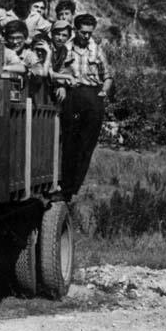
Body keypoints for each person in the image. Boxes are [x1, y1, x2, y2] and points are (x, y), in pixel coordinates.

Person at [60, 13, 113, 202]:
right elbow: (58, 71)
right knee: (69, 142)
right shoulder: (66, 49)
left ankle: (74, 187)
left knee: (87, 144)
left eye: (90, 33)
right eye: (83, 33)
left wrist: (103, 92)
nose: (86, 36)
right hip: (73, 95)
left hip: (93, 95)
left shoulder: (97, 50)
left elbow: (107, 76)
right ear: (76, 30)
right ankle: (65, 186)